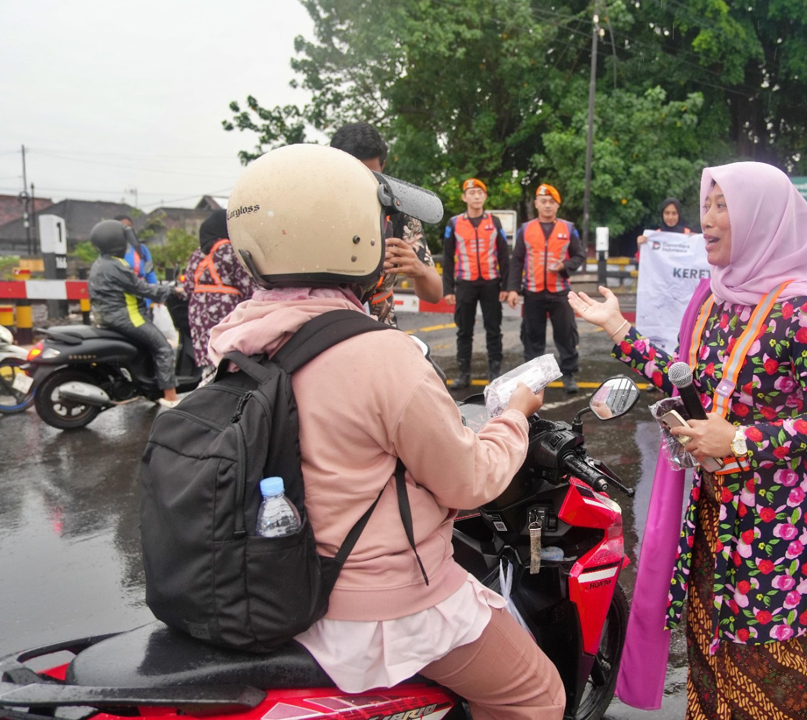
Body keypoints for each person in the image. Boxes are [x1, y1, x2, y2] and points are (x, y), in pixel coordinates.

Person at [208, 143, 564, 719]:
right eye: (379, 222)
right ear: (353, 236)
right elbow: (470, 481)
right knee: (538, 696)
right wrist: (515, 416)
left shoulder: (235, 340)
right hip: (382, 602)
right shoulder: (380, 354)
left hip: (277, 582)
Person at [569, 161, 807, 720]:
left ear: (761, 219)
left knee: (763, 664)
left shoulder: (801, 311)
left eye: (723, 206)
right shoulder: (715, 298)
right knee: (708, 650)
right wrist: (618, 329)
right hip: (712, 513)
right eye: (706, 204)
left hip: (778, 525)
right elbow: (690, 381)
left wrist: (742, 439)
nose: (707, 219)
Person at [329, 122, 443, 326]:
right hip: (327, 328)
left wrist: (420, 271)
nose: (360, 184)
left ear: (383, 165)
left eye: (370, 176)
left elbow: (435, 294)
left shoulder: (399, 209)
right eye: (352, 174)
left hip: (382, 330)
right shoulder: (314, 206)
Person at [87, 219, 184, 408]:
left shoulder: (101, 263)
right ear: (116, 242)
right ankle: (171, 396)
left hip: (108, 316)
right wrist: (172, 290)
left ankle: (152, 390)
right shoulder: (116, 266)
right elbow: (142, 288)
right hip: (127, 316)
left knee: (148, 347)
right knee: (163, 347)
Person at [506, 183, 586, 393]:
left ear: (558, 205)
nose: (547, 205)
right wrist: (513, 289)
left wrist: (564, 266)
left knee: (566, 335)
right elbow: (517, 261)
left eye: (552, 202)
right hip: (533, 292)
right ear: (536, 204)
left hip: (560, 292)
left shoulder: (568, 228)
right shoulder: (526, 229)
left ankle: (569, 375)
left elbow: (579, 256)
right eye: (543, 201)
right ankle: (534, 379)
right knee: (532, 337)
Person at [442, 178, 509, 388]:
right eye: (472, 193)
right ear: (464, 197)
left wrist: (506, 286)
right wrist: (448, 288)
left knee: (494, 329)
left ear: (485, 196)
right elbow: (447, 257)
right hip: (465, 283)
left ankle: (495, 373)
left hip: (491, 283)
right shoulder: (454, 223)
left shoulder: (494, 222)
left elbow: (504, 255)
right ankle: (464, 373)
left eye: (480, 193)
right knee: (464, 330)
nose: (476, 196)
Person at [180, 209, 255, 373]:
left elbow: (187, 289)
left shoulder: (197, 253)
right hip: (223, 310)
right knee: (227, 357)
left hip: (197, 311)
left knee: (209, 359)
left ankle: (207, 382)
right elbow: (248, 287)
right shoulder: (230, 250)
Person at [116, 214, 159, 310]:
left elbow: (150, 274)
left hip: (143, 300)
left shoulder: (141, 249)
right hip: (122, 302)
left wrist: (156, 297)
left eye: (129, 227)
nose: (127, 230)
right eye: (123, 227)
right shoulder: (111, 251)